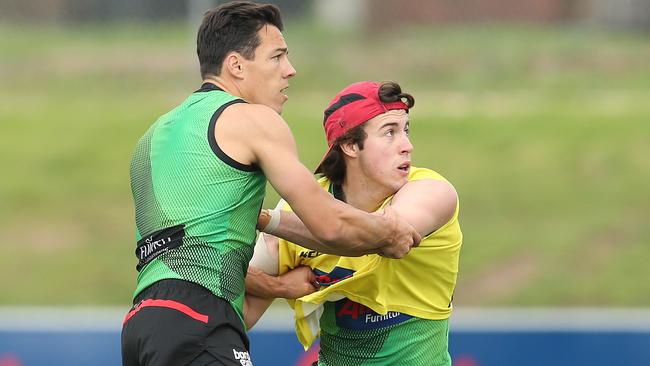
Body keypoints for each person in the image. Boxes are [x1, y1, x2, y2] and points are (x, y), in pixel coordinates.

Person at [120, 2, 421, 366]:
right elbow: (329, 223)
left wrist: (278, 286)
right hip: (201, 321)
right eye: (277, 57)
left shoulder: (154, 136)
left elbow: (192, 254)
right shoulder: (253, 120)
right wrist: (388, 233)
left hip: (141, 325)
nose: (290, 71)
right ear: (236, 65)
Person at [245, 81, 463, 366]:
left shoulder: (432, 191)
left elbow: (379, 236)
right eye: (390, 133)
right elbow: (237, 306)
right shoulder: (302, 206)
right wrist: (278, 287)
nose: (407, 146)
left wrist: (260, 218)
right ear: (350, 145)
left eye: (406, 130)